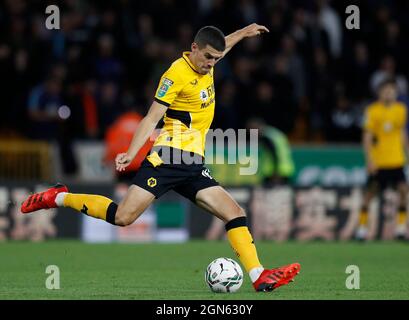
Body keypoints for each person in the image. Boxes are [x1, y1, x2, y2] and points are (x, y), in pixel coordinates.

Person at [20, 24, 300, 292]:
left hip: (192, 163)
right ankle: (59, 197)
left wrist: (245, 32)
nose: (212, 63)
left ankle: (258, 276)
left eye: (216, 58)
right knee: (122, 217)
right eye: (208, 57)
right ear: (193, 48)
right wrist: (131, 153)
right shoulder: (175, 75)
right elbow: (151, 117)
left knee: (235, 213)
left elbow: (223, 45)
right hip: (167, 158)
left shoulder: (209, 59)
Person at [356, 78, 409, 240]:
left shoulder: (401, 110)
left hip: (396, 160)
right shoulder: (372, 111)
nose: (389, 93)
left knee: (403, 191)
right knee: (369, 195)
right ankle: (362, 228)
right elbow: (367, 137)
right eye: (386, 90)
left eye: (392, 90)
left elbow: (402, 134)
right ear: (379, 93)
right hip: (379, 162)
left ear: (396, 93)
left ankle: (400, 228)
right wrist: (369, 160)